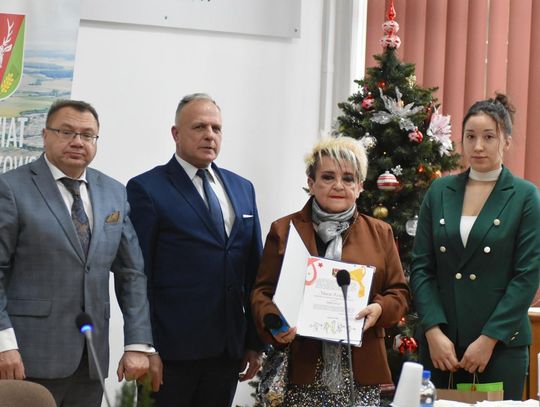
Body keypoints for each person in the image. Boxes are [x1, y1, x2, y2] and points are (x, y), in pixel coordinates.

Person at [0, 100, 161, 406]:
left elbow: (131, 273)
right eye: (66, 132)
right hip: (26, 357)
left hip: (90, 361)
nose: (77, 141)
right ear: (45, 136)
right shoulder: (10, 188)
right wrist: (2, 343)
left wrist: (138, 343)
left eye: (87, 135)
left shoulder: (114, 192)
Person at [251, 136, 410, 406]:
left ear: (359, 187)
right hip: (301, 370)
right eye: (327, 177)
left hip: (361, 373)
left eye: (348, 179)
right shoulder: (284, 230)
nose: (338, 185)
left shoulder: (380, 232)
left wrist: (380, 309)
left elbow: (399, 294)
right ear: (311, 183)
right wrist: (275, 323)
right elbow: (261, 293)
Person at [126, 93, 263, 406]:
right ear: (176, 133)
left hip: (227, 351)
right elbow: (137, 276)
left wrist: (254, 342)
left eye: (216, 128)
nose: (209, 135)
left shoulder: (242, 188)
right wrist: (145, 347)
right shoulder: (147, 188)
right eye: (199, 127)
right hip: (170, 353)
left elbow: (254, 270)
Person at [410, 94, 540, 400]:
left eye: (489, 137)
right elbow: (422, 267)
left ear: (506, 141)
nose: (478, 146)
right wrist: (433, 331)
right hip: (441, 347)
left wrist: (489, 339)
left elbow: (526, 276)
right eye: (470, 136)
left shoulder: (525, 197)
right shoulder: (440, 191)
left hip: (499, 347)